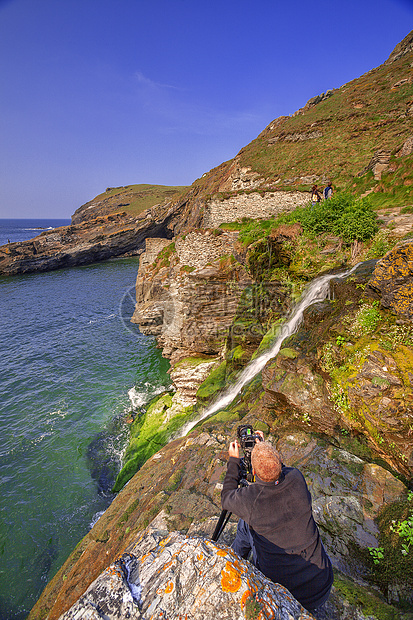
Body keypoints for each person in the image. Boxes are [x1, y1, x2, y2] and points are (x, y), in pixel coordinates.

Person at [221, 434, 333, 616]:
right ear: (280, 462)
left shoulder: (250, 500)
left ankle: (235, 561)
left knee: (244, 525)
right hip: (322, 586)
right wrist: (264, 447)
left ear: (254, 473)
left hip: (284, 593)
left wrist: (233, 461)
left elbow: (226, 498)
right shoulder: (297, 478)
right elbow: (283, 470)